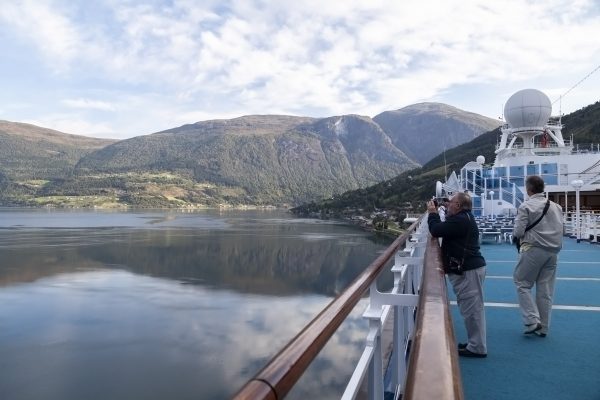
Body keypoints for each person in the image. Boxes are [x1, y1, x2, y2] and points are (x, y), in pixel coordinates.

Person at [427, 193, 487, 357]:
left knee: (472, 310)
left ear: (458, 206)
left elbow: (436, 230)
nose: (448, 205)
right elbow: (445, 226)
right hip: (469, 269)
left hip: (468, 270)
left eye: (451, 203)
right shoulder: (463, 218)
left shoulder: (460, 220)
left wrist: (432, 212)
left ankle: (477, 347)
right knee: (471, 308)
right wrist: (446, 208)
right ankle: (475, 344)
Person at [512, 175, 563, 337]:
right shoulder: (556, 207)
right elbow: (564, 230)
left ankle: (532, 320)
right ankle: (544, 327)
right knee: (545, 290)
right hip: (553, 253)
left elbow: (518, 232)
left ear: (529, 189)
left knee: (522, 283)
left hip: (533, 250)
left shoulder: (526, 206)